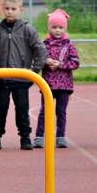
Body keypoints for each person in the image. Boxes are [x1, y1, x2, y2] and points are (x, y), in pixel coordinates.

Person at [0, 0, 47, 150]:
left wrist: (33, 72)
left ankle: (25, 137)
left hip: (21, 80)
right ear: (2, 9)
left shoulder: (28, 30)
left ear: (20, 10)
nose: (9, 11)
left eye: (13, 8)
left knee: (22, 109)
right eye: (7, 8)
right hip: (0, 79)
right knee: (0, 108)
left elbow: (40, 51)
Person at [34, 8, 80, 149]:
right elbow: (38, 59)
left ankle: (60, 137)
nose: (57, 30)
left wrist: (60, 65)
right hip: (47, 84)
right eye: (54, 27)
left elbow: (75, 62)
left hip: (64, 86)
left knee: (61, 112)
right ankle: (39, 137)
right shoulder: (44, 44)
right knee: (44, 112)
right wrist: (46, 62)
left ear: (64, 28)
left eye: (60, 27)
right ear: (49, 28)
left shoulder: (69, 45)